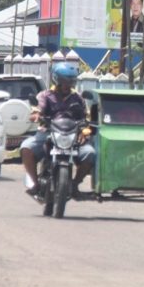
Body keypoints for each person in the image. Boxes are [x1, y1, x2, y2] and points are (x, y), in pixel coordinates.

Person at [20, 62, 95, 197]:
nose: (67, 85)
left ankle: (75, 184)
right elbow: (38, 108)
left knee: (90, 153)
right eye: (63, 81)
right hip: (48, 132)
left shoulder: (78, 98)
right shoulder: (45, 95)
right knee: (26, 148)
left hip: (73, 134)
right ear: (56, 79)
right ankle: (35, 183)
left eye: (70, 82)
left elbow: (86, 117)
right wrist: (37, 115)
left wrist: (85, 129)